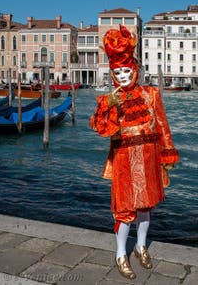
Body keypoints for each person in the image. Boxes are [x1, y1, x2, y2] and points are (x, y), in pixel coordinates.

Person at [89, 25, 179, 280]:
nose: (124, 75)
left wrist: (168, 153)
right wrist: (108, 106)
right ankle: (120, 253)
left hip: (149, 157)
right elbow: (98, 127)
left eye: (127, 70)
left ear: (135, 70)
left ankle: (140, 247)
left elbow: (162, 124)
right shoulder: (110, 99)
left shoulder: (151, 94)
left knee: (145, 208)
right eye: (119, 72)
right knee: (125, 210)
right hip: (124, 160)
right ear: (114, 74)